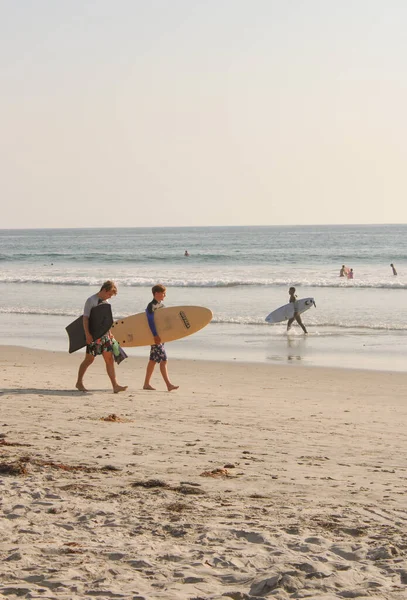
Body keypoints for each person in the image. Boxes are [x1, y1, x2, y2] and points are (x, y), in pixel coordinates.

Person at [75, 281, 127, 393]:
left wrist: (110, 332)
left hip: (105, 336)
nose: (110, 297)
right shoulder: (91, 300)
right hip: (93, 336)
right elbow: (85, 318)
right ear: (104, 290)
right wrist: (87, 334)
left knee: (109, 359)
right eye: (109, 294)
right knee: (89, 360)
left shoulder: (106, 301)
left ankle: (115, 385)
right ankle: (79, 382)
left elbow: (105, 320)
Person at [143, 284, 179, 391]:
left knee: (153, 361)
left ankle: (146, 384)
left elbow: (164, 322)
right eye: (163, 293)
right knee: (164, 360)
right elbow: (150, 321)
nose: (165, 295)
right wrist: (155, 335)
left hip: (161, 337)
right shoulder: (151, 306)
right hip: (155, 337)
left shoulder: (162, 306)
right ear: (157, 294)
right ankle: (168, 385)